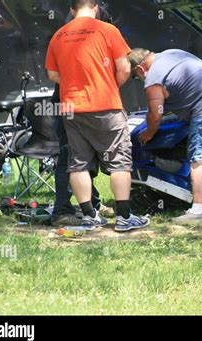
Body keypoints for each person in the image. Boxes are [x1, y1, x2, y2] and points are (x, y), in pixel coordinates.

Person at [45, 0, 150, 232]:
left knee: (78, 163)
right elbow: (124, 67)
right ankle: (124, 217)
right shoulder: (108, 30)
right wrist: (107, 84)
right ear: (95, 7)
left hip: (72, 108)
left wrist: (75, 81)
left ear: (72, 10)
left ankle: (89, 217)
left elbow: (53, 74)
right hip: (105, 105)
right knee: (119, 160)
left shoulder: (59, 35)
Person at [129, 48, 202, 224]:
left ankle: (197, 210)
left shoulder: (153, 77)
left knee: (198, 157)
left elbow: (156, 113)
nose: (141, 80)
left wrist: (149, 133)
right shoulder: (171, 54)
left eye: (137, 77)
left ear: (140, 69)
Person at [50, 5, 113, 228]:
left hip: (69, 102)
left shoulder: (65, 33)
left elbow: (55, 73)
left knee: (81, 156)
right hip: (71, 104)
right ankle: (62, 210)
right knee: (71, 156)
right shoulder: (96, 29)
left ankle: (92, 204)